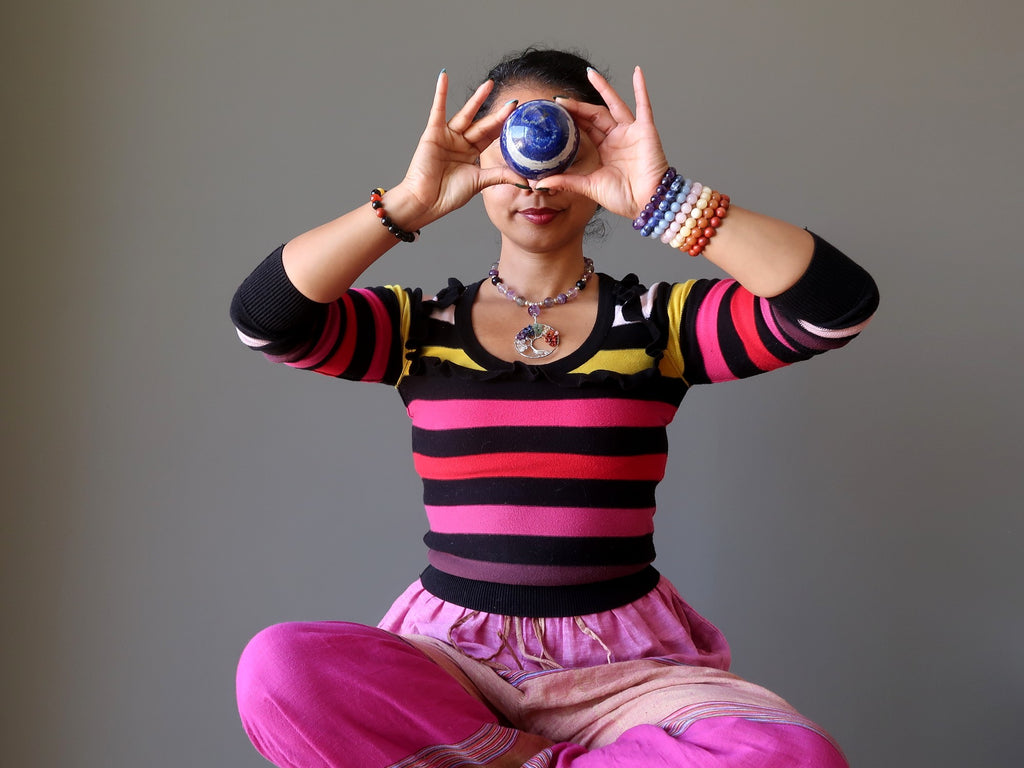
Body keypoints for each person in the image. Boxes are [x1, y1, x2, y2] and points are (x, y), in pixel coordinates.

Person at [231, 47, 878, 768]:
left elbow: (836, 309)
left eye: (565, 137)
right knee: (278, 668)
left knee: (790, 757)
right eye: (509, 141)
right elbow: (266, 319)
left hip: (620, 667)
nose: (537, 175)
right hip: (454, 657)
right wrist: (410, 202)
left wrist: (664, 200)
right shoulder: (420, 329)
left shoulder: (656, 324)